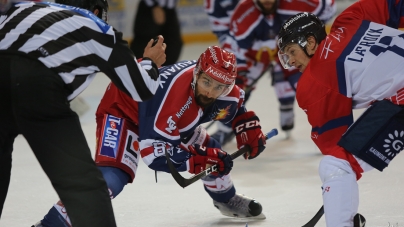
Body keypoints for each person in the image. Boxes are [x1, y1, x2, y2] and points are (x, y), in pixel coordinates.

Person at [35, 46, 268, 227]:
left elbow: (237, 111)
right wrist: (197, 160)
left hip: (168, 119)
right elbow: (154, 154)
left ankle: (225, 199)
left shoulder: (224, 93)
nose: (210, 91)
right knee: (112, 178)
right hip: (124, 112)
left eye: (219, 87)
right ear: (196, 73)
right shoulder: (173, 95)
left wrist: (246, 125)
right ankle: (52, 223)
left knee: (211, 148)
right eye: (207, 82)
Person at [0, 0, 166, 226]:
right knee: (84, 187)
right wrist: (149, 62)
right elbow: (141, 89)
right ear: (96, 10)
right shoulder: (96, 26)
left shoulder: (24, 7)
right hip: (38, 86)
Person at [277, 0, 404, 225]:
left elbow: (337, 147)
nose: (292, 61)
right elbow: (396, 5)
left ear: (311, 42)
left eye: (292, 52)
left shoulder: (315, 79)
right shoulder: (350, 19)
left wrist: (337, 189)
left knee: (335, 166)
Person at [209, 0, 336, 144]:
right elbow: (235, 47)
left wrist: (314, 29)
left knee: (311, 85)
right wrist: (238, 75)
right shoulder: (244, 12)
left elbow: (328, 6)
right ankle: (224, 129)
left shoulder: (297, 3)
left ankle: (329, 128)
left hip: (290, 51)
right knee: (234, 89)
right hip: (255, 56)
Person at [130, 0, 183, 66]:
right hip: (151, 7)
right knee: (144, 41)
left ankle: (165, 70)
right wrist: (154, 5)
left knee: (173, 43)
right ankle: (138, 68)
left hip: (169, 7)